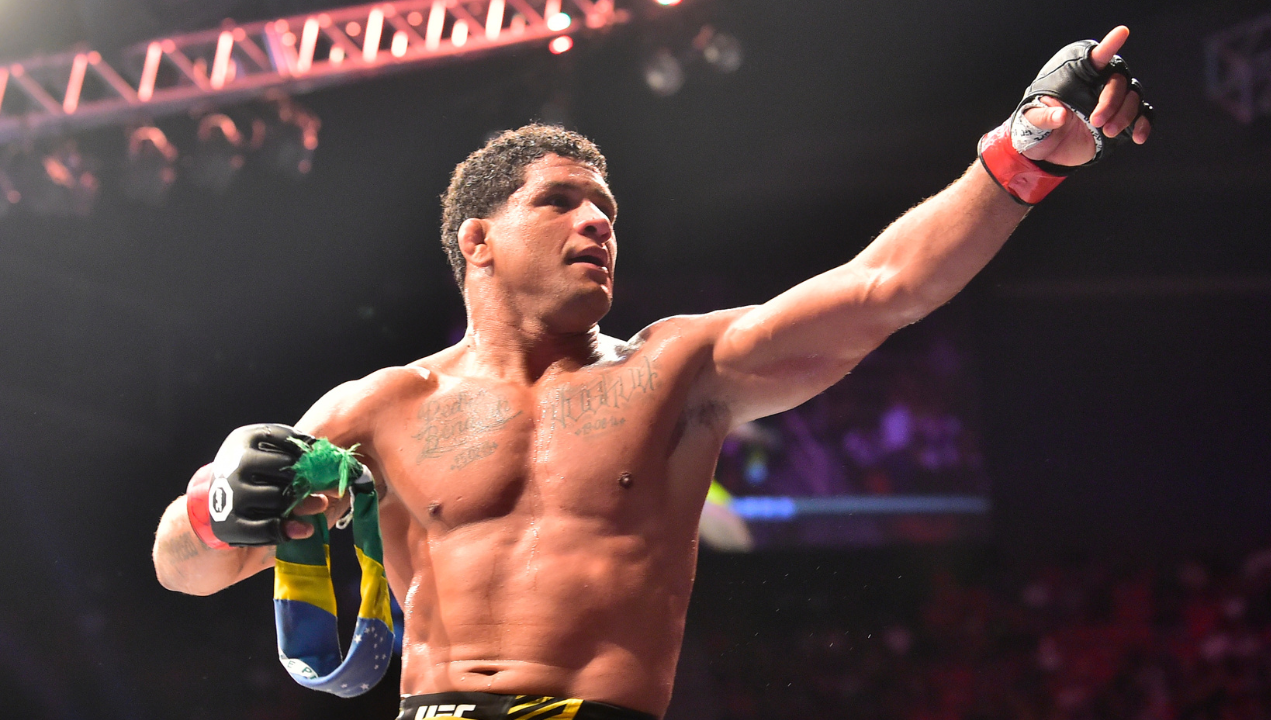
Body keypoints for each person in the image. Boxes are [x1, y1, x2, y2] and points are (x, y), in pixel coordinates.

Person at [153, 27, 1152, 720]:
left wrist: (1020, 157)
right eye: (560, 203)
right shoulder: (377, 407)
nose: (597, 223)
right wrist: (212, 503)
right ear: (479, 241)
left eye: (609, 212)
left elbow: (883, 286)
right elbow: (183, 569)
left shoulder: (678, 369)